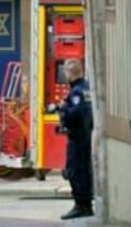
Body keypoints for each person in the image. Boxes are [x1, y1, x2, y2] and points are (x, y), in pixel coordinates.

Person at [58, 58, 94, 220]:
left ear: (69, 73)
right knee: (84, 170)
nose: (64, 74)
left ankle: (81, 205)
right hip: (87, 135)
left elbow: (75, 114)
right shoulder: (87, 88)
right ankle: (85, 204)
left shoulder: (76, 92)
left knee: (75, 171)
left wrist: (63, 110)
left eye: (65, 71)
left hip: (78, 137)